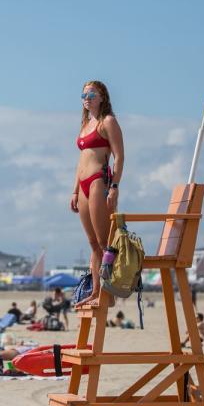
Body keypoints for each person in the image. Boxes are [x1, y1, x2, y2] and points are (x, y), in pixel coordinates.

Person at [69, 80, 125, 308]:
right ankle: (96, 290)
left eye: (92, 93)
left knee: (104, 241)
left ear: (102, 96)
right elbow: (80, 162)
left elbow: (119, 156)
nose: (87, 97)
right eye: (83, 94)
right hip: (82, 184)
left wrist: (115, 186)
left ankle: (108, 292)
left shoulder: (107, 121)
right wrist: (74, 191)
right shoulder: (85, 124)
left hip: (98, 181)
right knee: (92, 242)